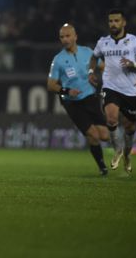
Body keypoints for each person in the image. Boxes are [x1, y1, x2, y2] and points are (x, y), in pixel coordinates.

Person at [89, 9, 136, 174]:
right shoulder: (103, 42)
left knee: (129, 127)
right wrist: (90, 72)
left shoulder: (134, 41)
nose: (113, 24)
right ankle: (117, 149)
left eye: (116, 21)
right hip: (110, 86)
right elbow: (94, 57)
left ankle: (128, 155)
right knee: (111, 118)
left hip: (130, 90)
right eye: (110, 21)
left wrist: (134, 65)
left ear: (123, 23)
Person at [47, 24, 109, 175]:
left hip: (90, 98)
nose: (65, 39)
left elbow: (104, 67)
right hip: (72, 103)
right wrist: (66, 90)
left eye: (68, 36)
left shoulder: (88, 52)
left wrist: (105, 79)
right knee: (93, 135)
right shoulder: (58, 60)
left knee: (105, 136)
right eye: (62, 37)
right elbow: (50, 85)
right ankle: (102, 167)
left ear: (75, 37)